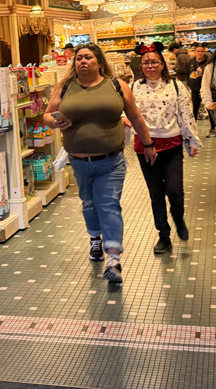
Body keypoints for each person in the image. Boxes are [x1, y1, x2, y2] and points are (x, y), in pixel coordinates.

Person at [43, 42, 155, 283]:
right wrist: (54, 122)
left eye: (88, 57)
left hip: (111, 160)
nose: (83, 61)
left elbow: (135, 116)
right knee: (89, 204)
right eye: (79, 58)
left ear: (99, 62)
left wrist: (148, 144)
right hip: (79, 162)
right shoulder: (65, 87)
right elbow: (47, 114)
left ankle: (113, 258)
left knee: (109, 204)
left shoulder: (116, 85)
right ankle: (95, 239)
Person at [125, 41, 200, 254]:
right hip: (144, 146)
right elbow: (124, 110)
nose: (150, 66)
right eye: (146, 62)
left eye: (154, 62)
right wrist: (124, 119)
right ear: (141, 65)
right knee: (156, 193)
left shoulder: (176, 86)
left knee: (175, 190)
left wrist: (192, 140)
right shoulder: (132, 88)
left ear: (162, 64)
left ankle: (179, 219)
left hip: (172, 143)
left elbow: (186, 114)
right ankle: (163, 235)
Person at [185, 44, 212, 122]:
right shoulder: (190, 62)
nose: (199, 53)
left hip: (206, 89)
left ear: (204, 52)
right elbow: (187, 73)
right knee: (194, 109)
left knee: (209, 108)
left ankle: (213, 128)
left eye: (201, 51)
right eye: (198, 51)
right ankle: (193, 126)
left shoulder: (208, 63)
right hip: (194, 89)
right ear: (194, 52)